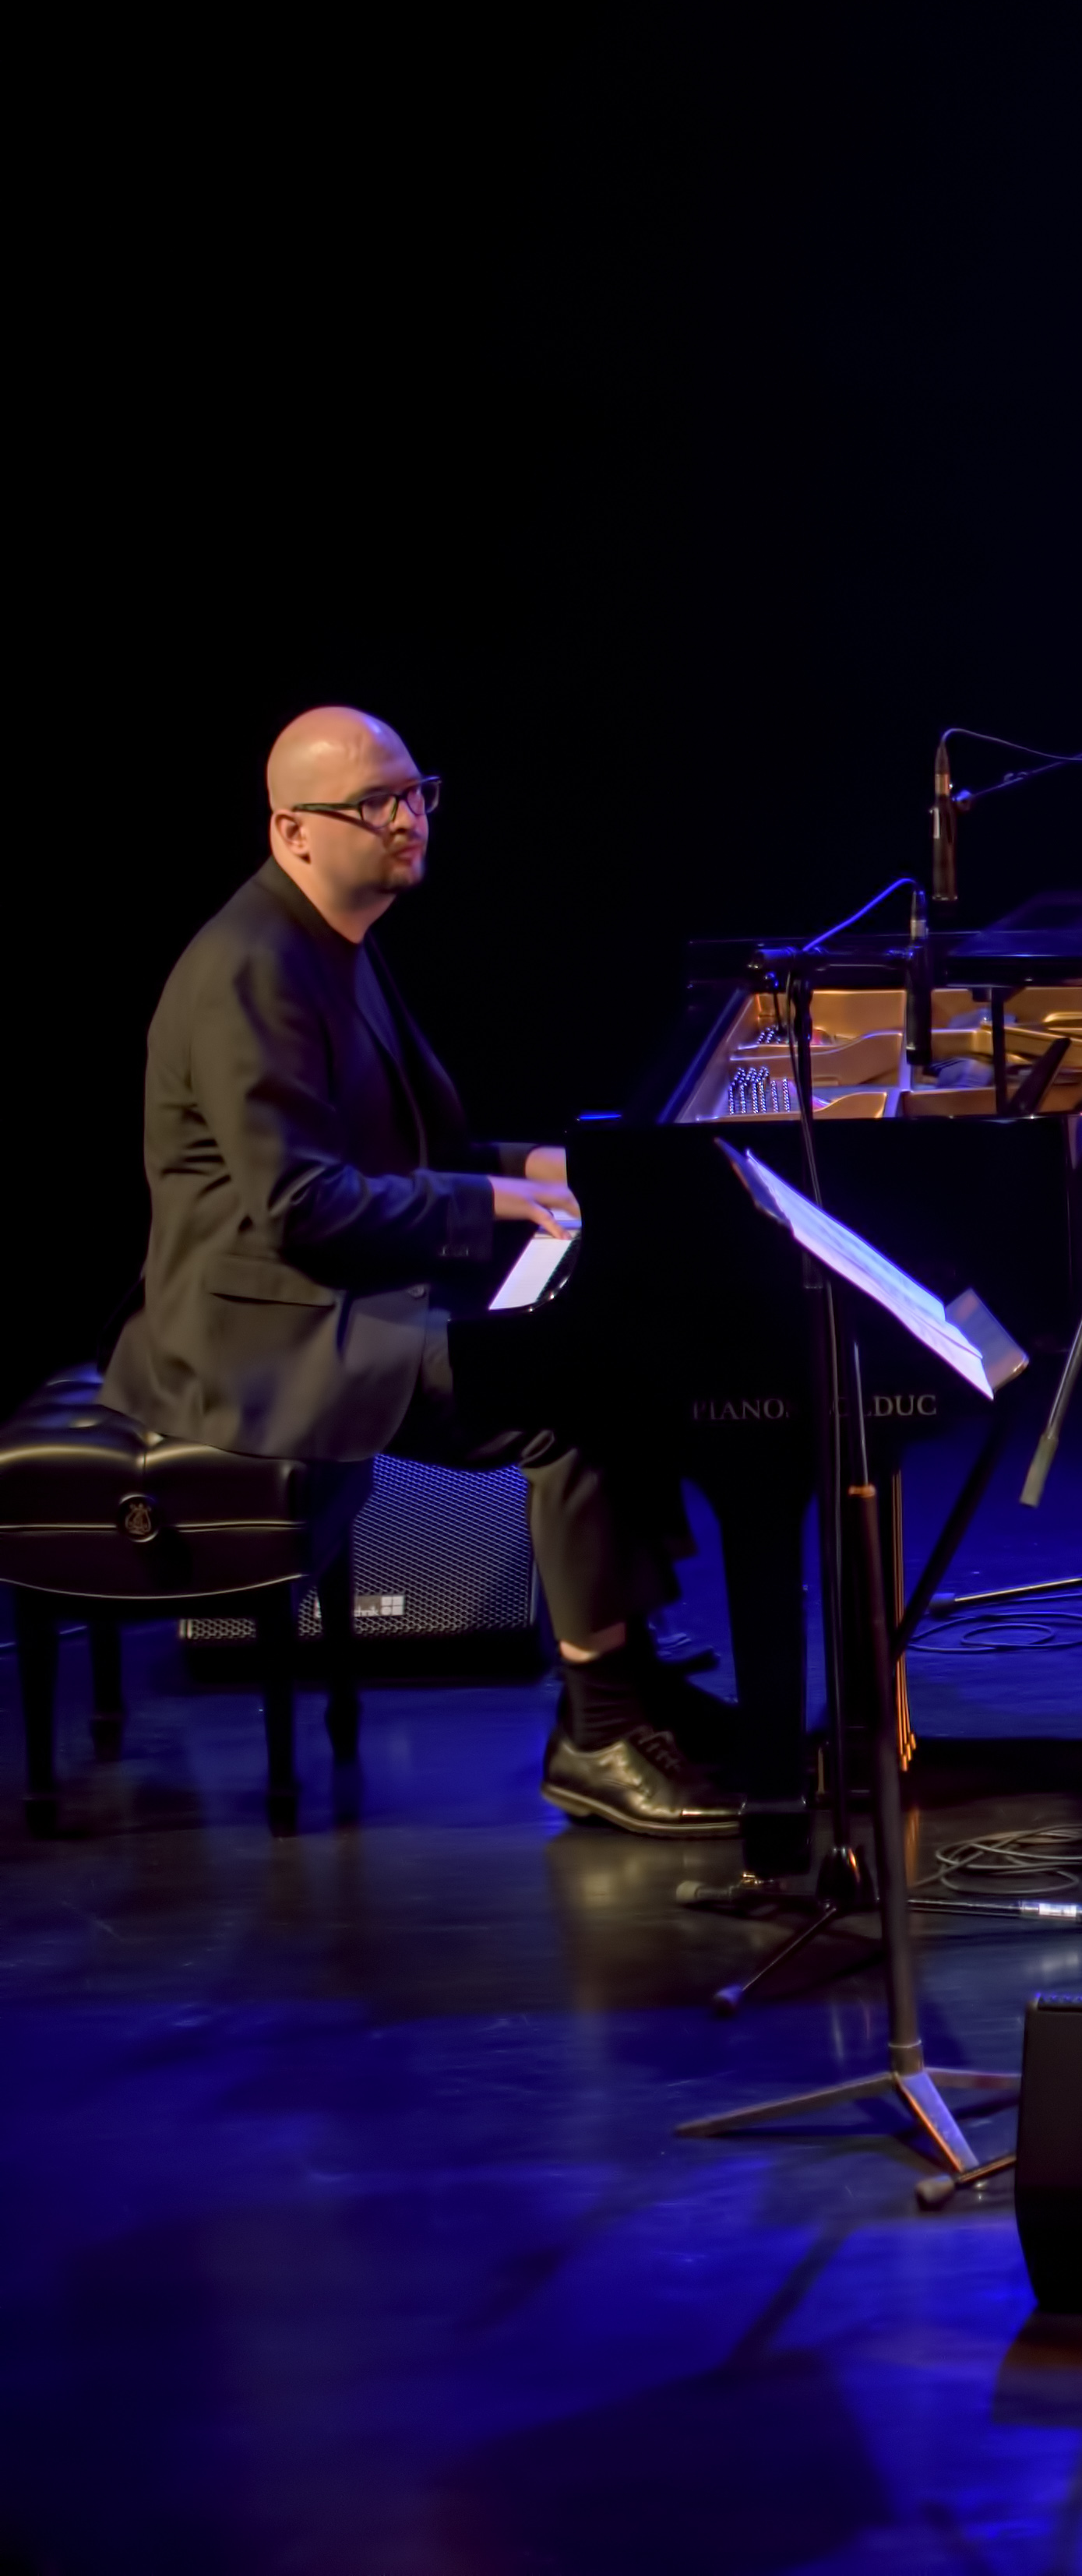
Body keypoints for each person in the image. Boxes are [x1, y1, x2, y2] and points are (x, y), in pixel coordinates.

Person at [108, 709, 735, 1835]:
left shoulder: (334, 941)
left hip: (341, 1291)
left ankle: (631, 1678)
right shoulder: (251, 971)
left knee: (619, 1350)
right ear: (294, 832)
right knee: (568, 1396)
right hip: (266, 1331)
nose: (408, 821)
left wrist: (562, 1164)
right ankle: (596, 1732)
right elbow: (304, 1208)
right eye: (375, 805)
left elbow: (408, 1154)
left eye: (416, 793)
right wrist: (497, 1200)